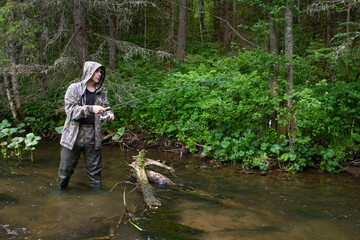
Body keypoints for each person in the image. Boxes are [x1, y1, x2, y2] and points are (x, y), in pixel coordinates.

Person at [57, 61, 114, 190]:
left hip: (93, 137)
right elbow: (70, 112)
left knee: (95, 173)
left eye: (101, 72)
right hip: (72, 137)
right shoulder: (74, 88)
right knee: (65, 171)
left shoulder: (101, 93)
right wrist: (90, 108)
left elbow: (105, 111)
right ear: (89, 72)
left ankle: (98, 197)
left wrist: (109, 116)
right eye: (97, 71)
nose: (100, 74)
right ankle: (60, 194)